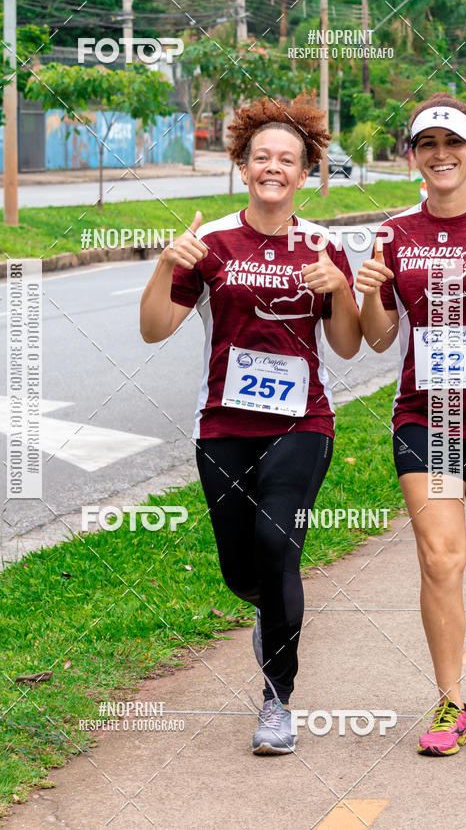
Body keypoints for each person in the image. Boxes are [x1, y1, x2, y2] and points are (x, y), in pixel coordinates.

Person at [140, 95, 361, 755]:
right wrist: (164, 265)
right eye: (261, 156)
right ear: (241, 165)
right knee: (242, 572)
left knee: (277, 543)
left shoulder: (324, 246)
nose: (273, 168)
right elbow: (154, 329)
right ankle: (269, 609)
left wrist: (340, 291)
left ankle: (277, 702)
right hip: (225, 428)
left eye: (286, 159)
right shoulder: (209, 245)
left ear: (304, 171)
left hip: (303, 424)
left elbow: (348, 347)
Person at [356, 92, 466, 756]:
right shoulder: (392, 234)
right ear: (412, 157)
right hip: (425, 418)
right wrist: (369, 290)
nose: (440, 155)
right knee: (440, 558)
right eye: (427, 144)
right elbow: (377, 339)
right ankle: (450, 702)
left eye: (452, 143)